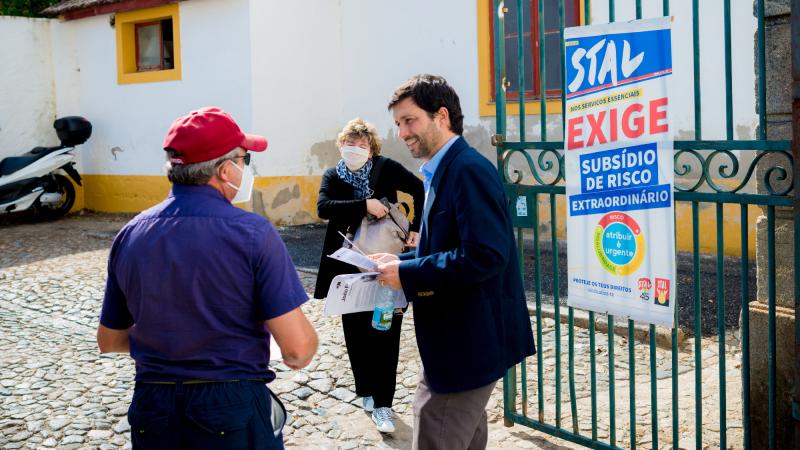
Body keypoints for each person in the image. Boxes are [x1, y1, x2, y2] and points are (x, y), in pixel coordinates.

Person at [96, 106, 318, 450]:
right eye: (245, 159)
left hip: (153, 406)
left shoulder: (131, 233)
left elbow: (110, 340)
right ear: (225, 169)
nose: (246, 169)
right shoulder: (253, 233)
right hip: (230, 405)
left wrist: (171, 343)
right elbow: (298, 349)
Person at [373, 75, 536, 450]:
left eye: (409, 120)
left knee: (434, 426)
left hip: (466, 344)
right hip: (460, 344)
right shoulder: (444, 168)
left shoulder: (466, 170)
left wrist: (407, 273)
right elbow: (449, 244)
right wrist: (400, 261)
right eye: (398, 124)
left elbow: (486, 254)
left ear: (441, 116)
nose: (402, 133)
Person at [313, 118, 424, 433]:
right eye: (351, 143)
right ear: (341, 145)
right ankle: (366, 391)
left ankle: (384, 405)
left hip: (386, 267)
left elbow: (419, 188)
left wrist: (416, 230)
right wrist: (365, 204)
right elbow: (324, 207)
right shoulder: (333, 175)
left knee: (385, 334)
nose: (356, 149)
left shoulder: (385, 168)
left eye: (362, 145)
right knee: (357, 335)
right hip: (349, 269)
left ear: (372, 148)